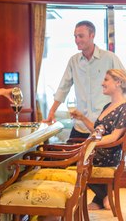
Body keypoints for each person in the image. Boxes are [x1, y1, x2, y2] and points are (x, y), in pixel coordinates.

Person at [45, 20, 125, 139]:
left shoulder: (109, 58)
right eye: (75, 36)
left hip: (103, 126)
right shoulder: (74, 61)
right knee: (69, 154)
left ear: (92, 35)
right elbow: (63, 87)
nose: (77, 40)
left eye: (81, 36)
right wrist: (51, 112)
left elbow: (123, 83)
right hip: (80, 125)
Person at [70, 69, 126, 210]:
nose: (102, 83)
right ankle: (103, 196)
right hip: (97, 151)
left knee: (62, 160)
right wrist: (82, 118)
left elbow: (114, 136)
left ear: (118, 82)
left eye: (106, 80)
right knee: (64, 152)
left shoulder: (124, 107)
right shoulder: (108, 106)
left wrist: (88, 144)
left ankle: (58, 208)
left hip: (107, 155)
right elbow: (96, 131)